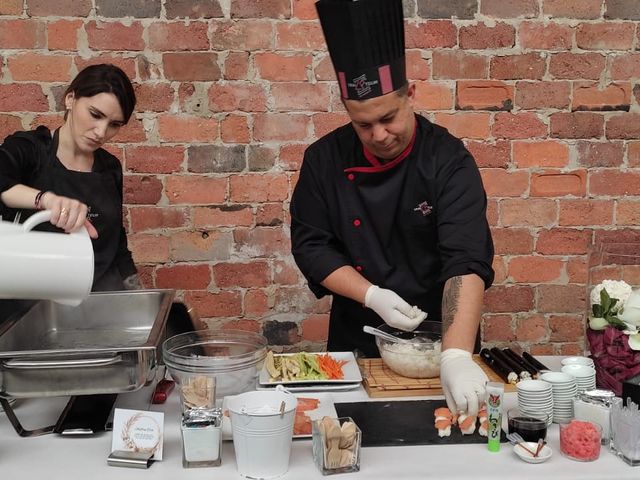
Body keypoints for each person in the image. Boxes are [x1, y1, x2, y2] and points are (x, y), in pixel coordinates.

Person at [290, 0, 494, 417]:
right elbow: (312, 246)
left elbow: (466, 260)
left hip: (442, 338)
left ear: (411, 95)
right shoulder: (324, 160)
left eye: (388, 118)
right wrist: (372, 295)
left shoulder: (448, 161)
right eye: (363, 124)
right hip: (358, 338)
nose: (379, 135)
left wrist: (456, 357)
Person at [0, 63, 140, 291]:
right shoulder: (30, 149)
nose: (101, 132)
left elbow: (117, 241)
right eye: (95, 115)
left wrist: (135, 292)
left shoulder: (110, 167)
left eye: (114, 125)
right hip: (32, 301)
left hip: (97, 298)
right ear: (70, 99)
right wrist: (48, 200)